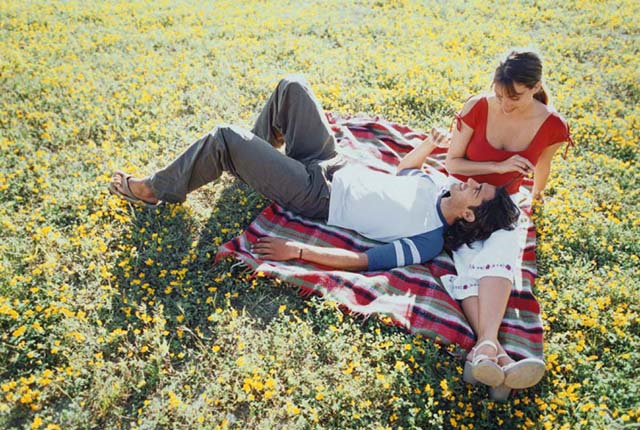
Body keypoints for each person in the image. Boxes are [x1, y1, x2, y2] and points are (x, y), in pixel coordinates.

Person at [109, 75, 519, 273]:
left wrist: (297, 251)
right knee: (293, 88)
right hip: (331, 161)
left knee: (225, 138)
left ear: (469, 216)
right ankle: (253, 162)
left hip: (316, 195)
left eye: (477, 192)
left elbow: (363, 260)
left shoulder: (428, 241)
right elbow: (403, 171)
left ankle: (156, 190)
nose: (470, 182)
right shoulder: (438, 184)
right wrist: (428, 146)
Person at [443, 50, 573, 392]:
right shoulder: (478, 107)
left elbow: (543, 165)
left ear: (535, 88)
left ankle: (483, 353)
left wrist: (538, 195)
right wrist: (499, 168)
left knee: (500, 254)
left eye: (513, 98)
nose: (503, 104)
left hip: (507, 204)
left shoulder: (552, 125)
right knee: (467, 257)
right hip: (468, 193)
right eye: (499, 95)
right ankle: (496, 352)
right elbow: (452, 164)